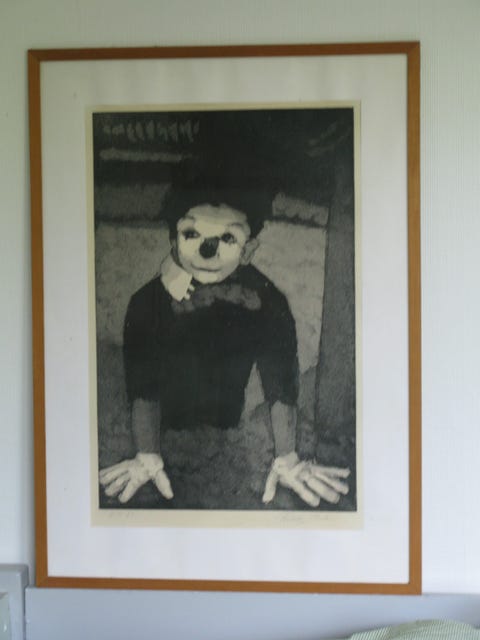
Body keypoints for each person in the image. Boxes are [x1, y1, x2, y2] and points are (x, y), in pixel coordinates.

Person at [99, 185, 349, 508]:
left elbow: (281, 381)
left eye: (228, 238)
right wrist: (146, 452)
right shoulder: (147, 302)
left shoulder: (268, 301)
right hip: (170, 426)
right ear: (173, 240)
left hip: (227, 422)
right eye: (191, 234)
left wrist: (287, 456)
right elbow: (143, 381)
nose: (207, 251)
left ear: (248, 250)